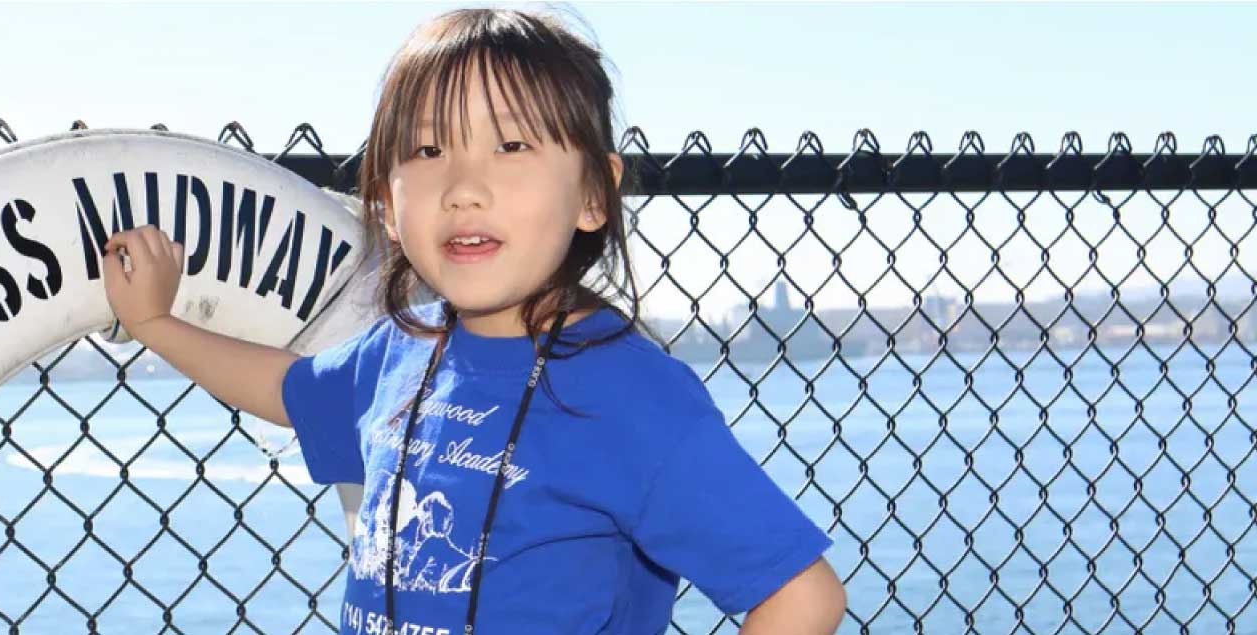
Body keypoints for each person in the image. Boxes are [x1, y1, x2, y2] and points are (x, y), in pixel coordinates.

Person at [100, 7, 845, 634]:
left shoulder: (634, 396)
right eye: (426, 149)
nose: (464, 186)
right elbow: (289, 388)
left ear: (594, 193)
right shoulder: (399, 348)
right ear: (388, 205)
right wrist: (157, 324)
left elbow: (801, 594)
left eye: (512, 144)